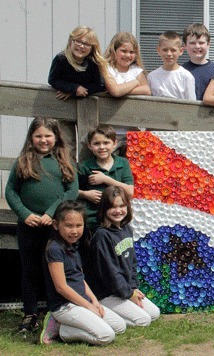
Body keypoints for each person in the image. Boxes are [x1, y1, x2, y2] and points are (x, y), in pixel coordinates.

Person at [5, 117, 79, 333]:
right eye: (38, 135)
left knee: (53, 270)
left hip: (54, 227)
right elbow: (11, 191)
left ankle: (54, 311)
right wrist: (25, 214)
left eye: (48, 135)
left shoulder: (64, 162)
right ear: (31, 137)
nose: (43, 140)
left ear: (56, 137)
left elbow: (71, 192)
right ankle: (30, 314)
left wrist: (51, 213)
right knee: (29, 270)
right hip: (28, 226)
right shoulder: (23, 161)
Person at [40, 200, 126, 345]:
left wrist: (94, 301)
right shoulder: (54, 249)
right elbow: (61, 287)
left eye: (79, 225)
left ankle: (68, 326)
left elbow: (80, 278)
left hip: (82, 301)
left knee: (119, 326)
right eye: (69, 226)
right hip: (65, 306)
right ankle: (61, 330)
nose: (74, 231)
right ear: (55, 225)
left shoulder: (73, 245)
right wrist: (88, 307)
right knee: (106, 336)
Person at [87, 186, 161, 327]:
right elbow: (110, 272)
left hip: (124, 290)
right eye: (112, 207)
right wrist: (128, 294)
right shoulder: (102, 236)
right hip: (107, 294)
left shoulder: (127, 229)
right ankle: (97, 312)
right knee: (143, 320)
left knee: (154, 313)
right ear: (104, 209)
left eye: (121, 205)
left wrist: (132, 288)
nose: (118, 210)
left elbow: (132, 262)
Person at [78, 124, 134, 232]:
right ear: (90, 146)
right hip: (94, 220)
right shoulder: (85, 166)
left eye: (106, 143)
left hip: (118, 218)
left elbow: (129, 191)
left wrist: (105, 179)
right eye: (97, 143)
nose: (102, 147)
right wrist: (85, 194)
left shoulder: (123, 163)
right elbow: (72, 190)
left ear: (114, 144)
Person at [48, 26, 106, 101]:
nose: (81, 46)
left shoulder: (93, 62)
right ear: (70, 41)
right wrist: (73, 88)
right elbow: (53, 79)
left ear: (92, 48)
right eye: (78, 41)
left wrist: (76, 92)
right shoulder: (61, 59)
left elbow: (100, 85)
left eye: (87, 44)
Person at [147, 31, 195, 100]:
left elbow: (192, 104)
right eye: (165, 50)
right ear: (158, 50)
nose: (169, 54)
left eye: (173, 50)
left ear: (181, 51)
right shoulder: (152, 76)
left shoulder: (186, 76)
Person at [102, 32, 151, 97]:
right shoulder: (107, 69)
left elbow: (147, 90)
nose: (128, 55)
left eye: (131, 52)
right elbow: (115, 91)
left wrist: (122, 91)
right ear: (114, 50)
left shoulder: (136, 70)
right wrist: (135, 82)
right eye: (124, 51)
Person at [181, 23, 214, 100]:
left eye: (201, 43)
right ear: (185, 46)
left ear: (209, 44)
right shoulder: (180, 71)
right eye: (192, 43)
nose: (197, 46)